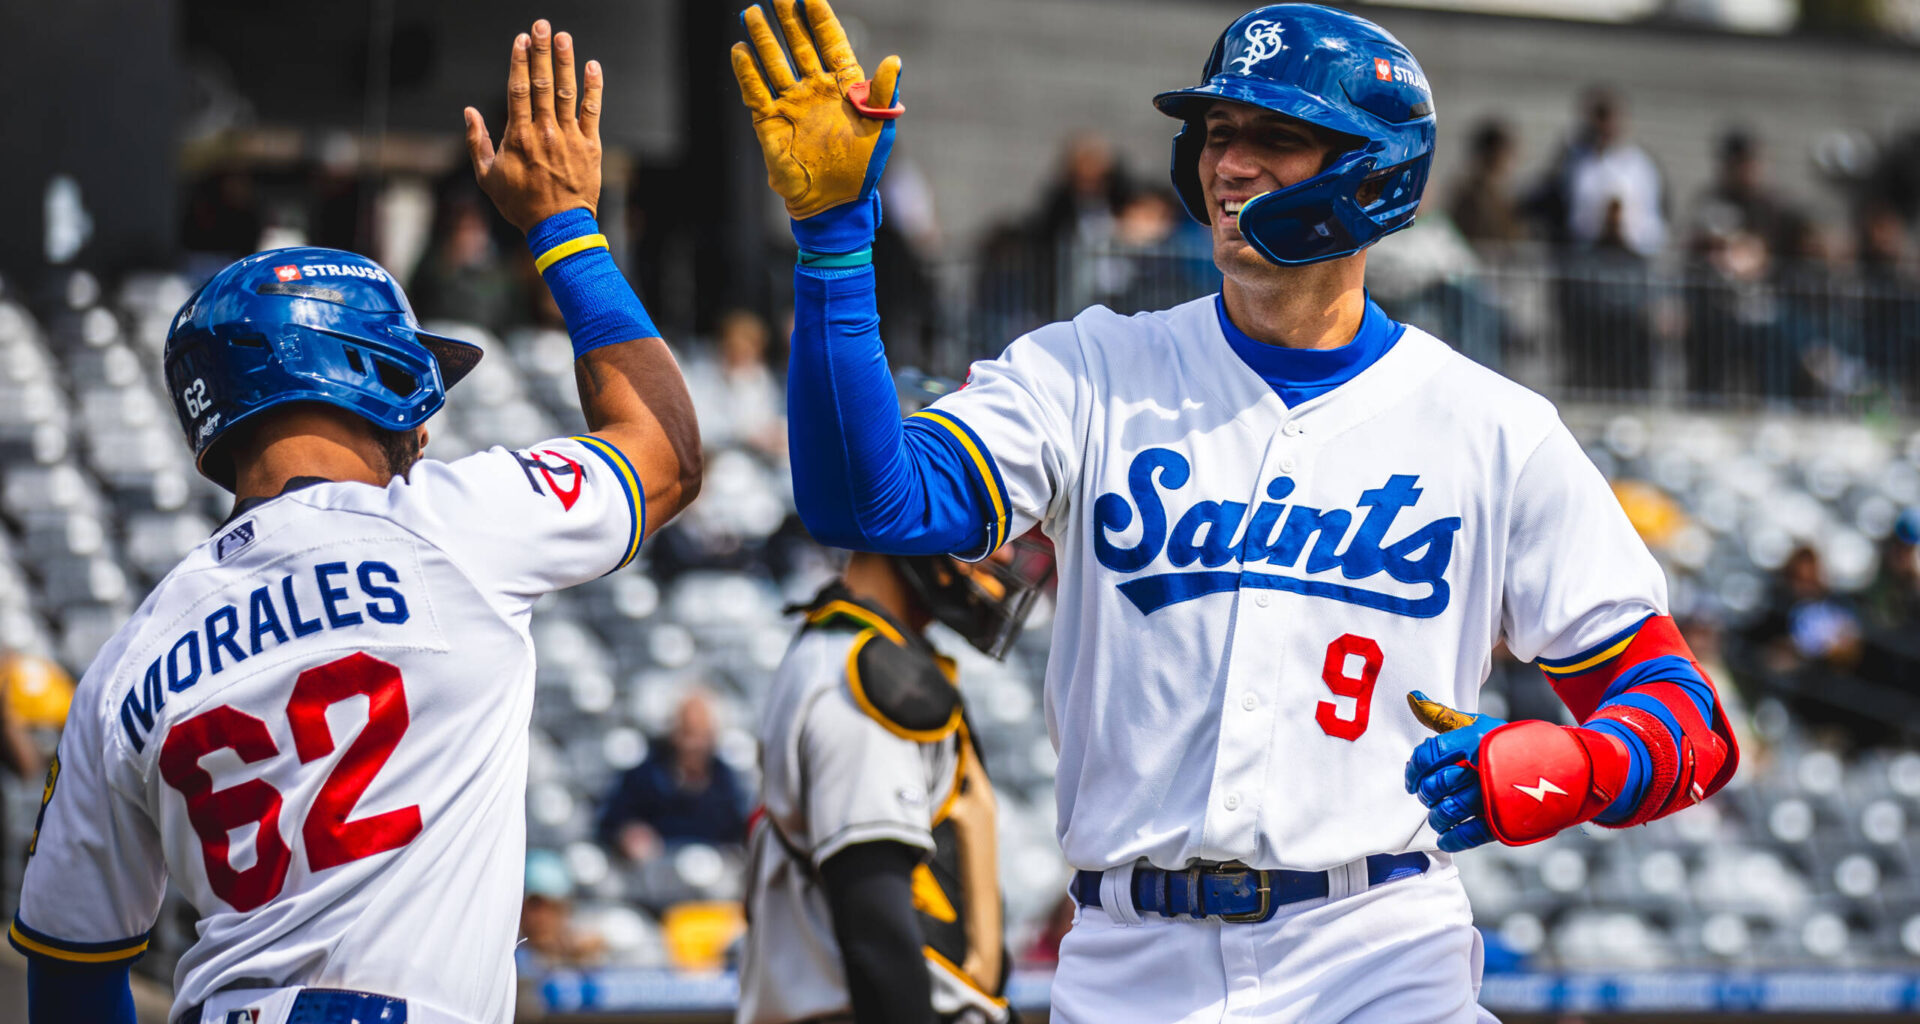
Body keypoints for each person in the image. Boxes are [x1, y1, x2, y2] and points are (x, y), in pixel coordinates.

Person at [730, 4, 1739, 1021]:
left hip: (1381, 958)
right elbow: (867, 498)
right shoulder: (1091, 370)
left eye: (1277, 138)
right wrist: (832, 245)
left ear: (1377, 171)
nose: (1232, 165)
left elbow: (1690, 725)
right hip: (1132, 962)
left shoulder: (1494, 430)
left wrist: (1582, 761)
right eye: (1218, 134)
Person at [10, 20, 701, 1024]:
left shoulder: (127, 657)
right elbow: (668, 449)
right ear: (366, 376)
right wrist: (564, 227)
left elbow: (72, 971)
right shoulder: (455, 525)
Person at [738, 384, 1054, 1021]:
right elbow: (877, 924)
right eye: (974, 518)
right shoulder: (860, 673)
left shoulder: (864, 649)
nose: (998, 551)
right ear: (900, 507)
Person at [597, 690, 749, 861]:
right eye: (687, 733)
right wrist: (628, 834)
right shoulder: (644, 775)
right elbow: (611, 822)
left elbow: (739, 832)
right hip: (652, 876)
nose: (693, 745)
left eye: (702, 734)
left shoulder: (726, 781)